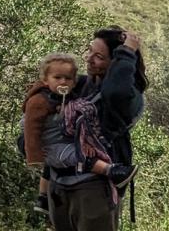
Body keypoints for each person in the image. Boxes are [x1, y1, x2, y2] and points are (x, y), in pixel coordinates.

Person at [46, 27, 148, 231]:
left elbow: (114, 91)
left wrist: (127, 51)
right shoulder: (83, 85)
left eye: (99, 57)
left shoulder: (128, 97)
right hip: (59, 185)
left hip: (94, 188)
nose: (89, 59)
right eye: (90, 51)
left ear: (117, 62)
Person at [22, 53, 134, 215]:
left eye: (68, 78)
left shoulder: (68, 96)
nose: (63, 82)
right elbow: (31, 129)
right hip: (49, 144)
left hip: (61, 141)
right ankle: (112, 171)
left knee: (63, 160)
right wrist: (34, 155)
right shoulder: (38, 100)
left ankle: (43, 198)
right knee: (78, 155)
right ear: (45, 80)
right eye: (57, 77)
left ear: (74, 82)